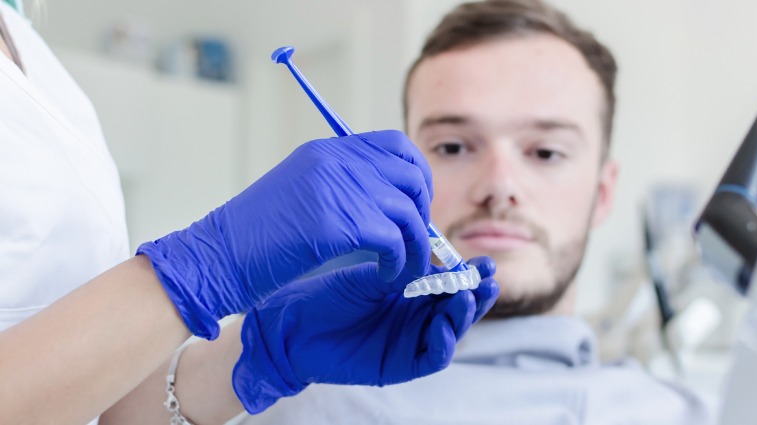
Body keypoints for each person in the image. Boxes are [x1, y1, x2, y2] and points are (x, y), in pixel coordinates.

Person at [0, 2, 498, 424]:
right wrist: (206, 267)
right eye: (453, 146)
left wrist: (263, 350)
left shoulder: (30, 44)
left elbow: (88, 407)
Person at [239, 0, 717, 423]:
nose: (498, 186)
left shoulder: (696, 412)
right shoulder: (296, 404)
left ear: (604, 193)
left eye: (546, 152)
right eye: (452, 147)